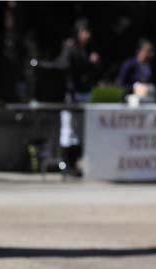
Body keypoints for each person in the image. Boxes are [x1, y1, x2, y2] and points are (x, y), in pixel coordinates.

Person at [36, 18, 101, 175]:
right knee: (69, 128)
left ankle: (75, 163)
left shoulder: (87, 50)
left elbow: (90, 73)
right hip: (72, 95)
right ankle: (67, 164)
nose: (87, 36)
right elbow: (63, 66)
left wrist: (93, 64)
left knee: (80, 130)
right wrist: (41, 65)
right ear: (78, 33)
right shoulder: (71, 48)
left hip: (84, 94)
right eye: (84, 32)